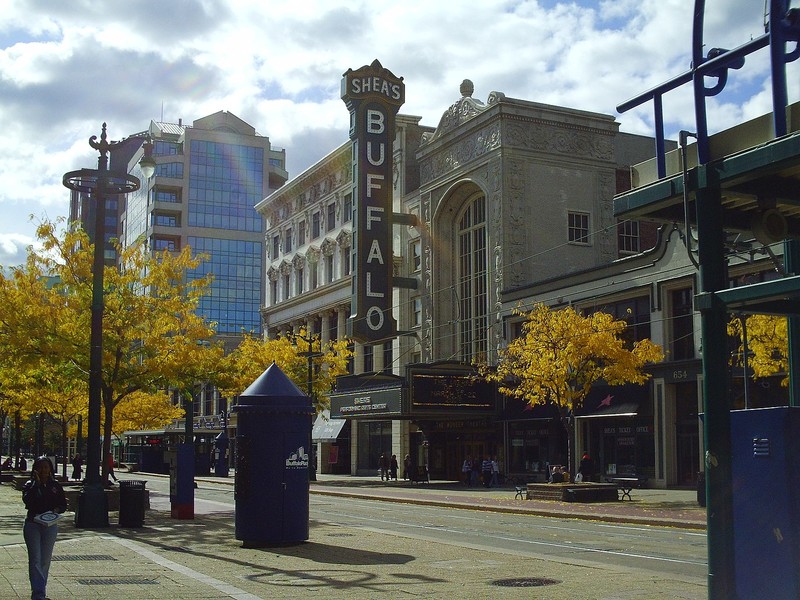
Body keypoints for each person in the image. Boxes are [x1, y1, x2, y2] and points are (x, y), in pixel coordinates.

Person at [22, 456, 67, 600]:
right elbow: (28, 501)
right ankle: (38, 594)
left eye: (46, 467)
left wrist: (56, 510)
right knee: (35, 559)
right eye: (40, 467)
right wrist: (37, 484)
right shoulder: (30, 485)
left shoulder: (55, 486)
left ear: (50, 469)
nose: (44, 470)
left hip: (50, 525)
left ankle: (41, 589)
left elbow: (63, 505)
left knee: (45, 560)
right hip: (33, 525)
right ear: (35, 469)